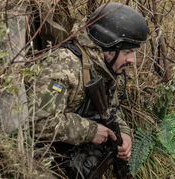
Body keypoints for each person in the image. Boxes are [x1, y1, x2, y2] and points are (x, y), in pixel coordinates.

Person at [27, 2, 148, 178]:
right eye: (127, 51)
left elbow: (110, 112)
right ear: (107, 47)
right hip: (42, 156)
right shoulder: (64, 65)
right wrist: (90, 131)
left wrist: (125, 134)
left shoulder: (104, 68)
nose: (132, 60)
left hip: (72, 153)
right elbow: (39, 122)